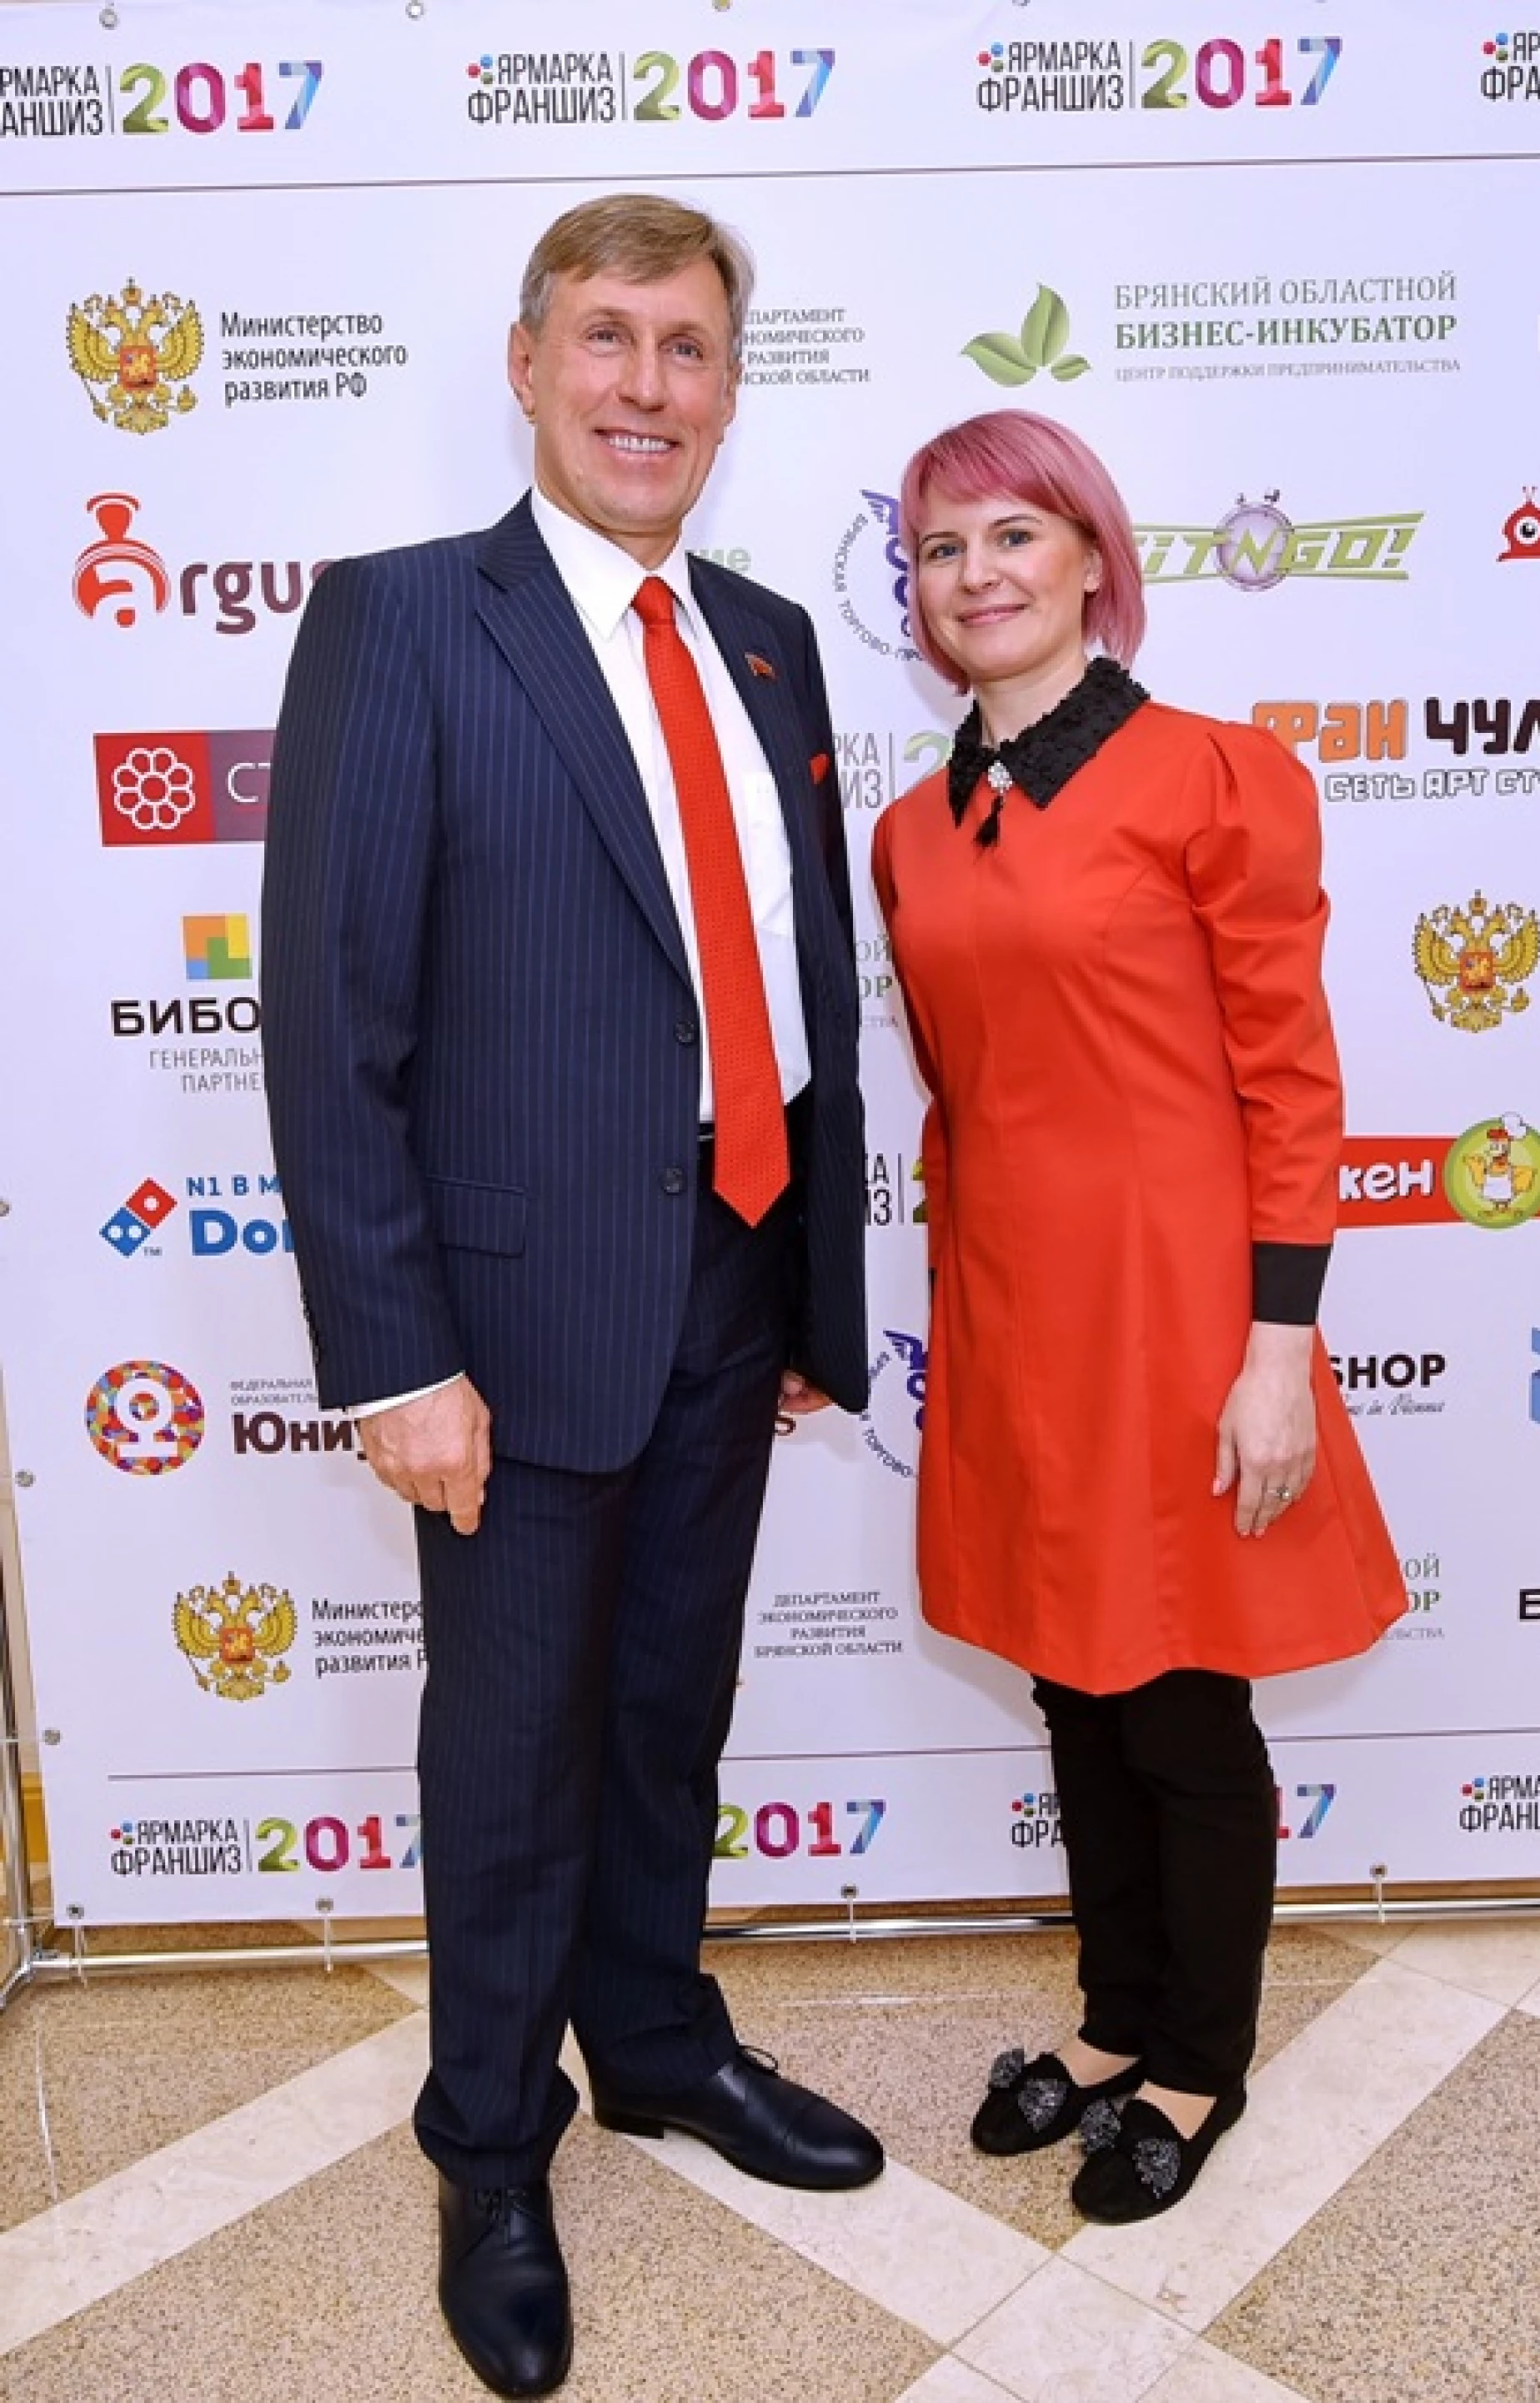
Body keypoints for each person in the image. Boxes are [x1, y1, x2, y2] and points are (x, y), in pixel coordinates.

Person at [261, 194, 878, 2399]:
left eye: (688, 347)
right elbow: (334, 1022)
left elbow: (797, 978)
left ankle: (660, 2043)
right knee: (513, 1746)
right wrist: (396, 1354)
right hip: (510, 1322)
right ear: (528, 366)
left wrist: (809, 1286)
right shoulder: (409, 620)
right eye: (607, 337)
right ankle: (492, 2144)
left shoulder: (772, 639)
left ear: (731, 389)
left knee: (667, 1706)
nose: (646, 385)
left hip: (733, 1268)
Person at [870, 409, 1405, 2225]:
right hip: (1014, 1317)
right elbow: (964, 1098)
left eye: (1016, 534)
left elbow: (1291, 1082)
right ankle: (1112, 2024)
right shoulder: (913, 832)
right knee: (1071, 1686)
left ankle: (1198, 2062)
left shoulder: (1216, 778)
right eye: (942, 548)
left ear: (1094, 557)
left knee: (1177, 1700)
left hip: (1185, 1321)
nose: (979, 575)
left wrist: (1279, 1348)